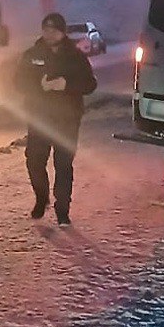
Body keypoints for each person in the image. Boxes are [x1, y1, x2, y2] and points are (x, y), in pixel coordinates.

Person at [15, 12, 98, 225]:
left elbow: (90, 84)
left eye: (54, 30)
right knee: (34, 160)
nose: (49, 34)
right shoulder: (32, 54)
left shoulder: (76, 56)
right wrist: (38, 87)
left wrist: (66, 84)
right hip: (39, 117)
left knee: (63, 164)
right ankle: (41, 198)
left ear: (63, 32)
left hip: (67, 118)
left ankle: (63, 209)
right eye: (46, 29)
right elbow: (17, 83)